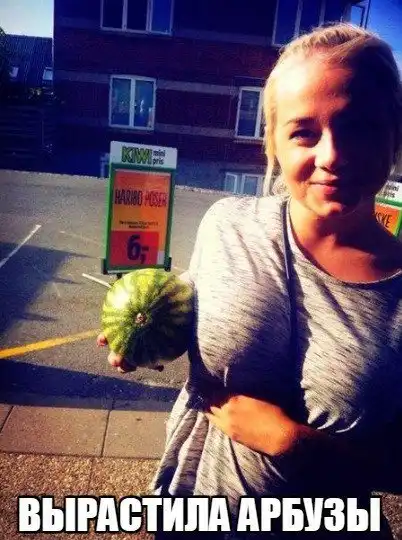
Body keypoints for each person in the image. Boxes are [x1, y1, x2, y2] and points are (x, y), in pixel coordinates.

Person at [97, 23, 402, 538]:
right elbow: (189, 305)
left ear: (395, 134)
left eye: (359, 126)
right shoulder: (228, 226)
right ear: (274, 143)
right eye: (304, 132)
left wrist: (296, 444)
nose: (332, 155)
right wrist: (142, 336)